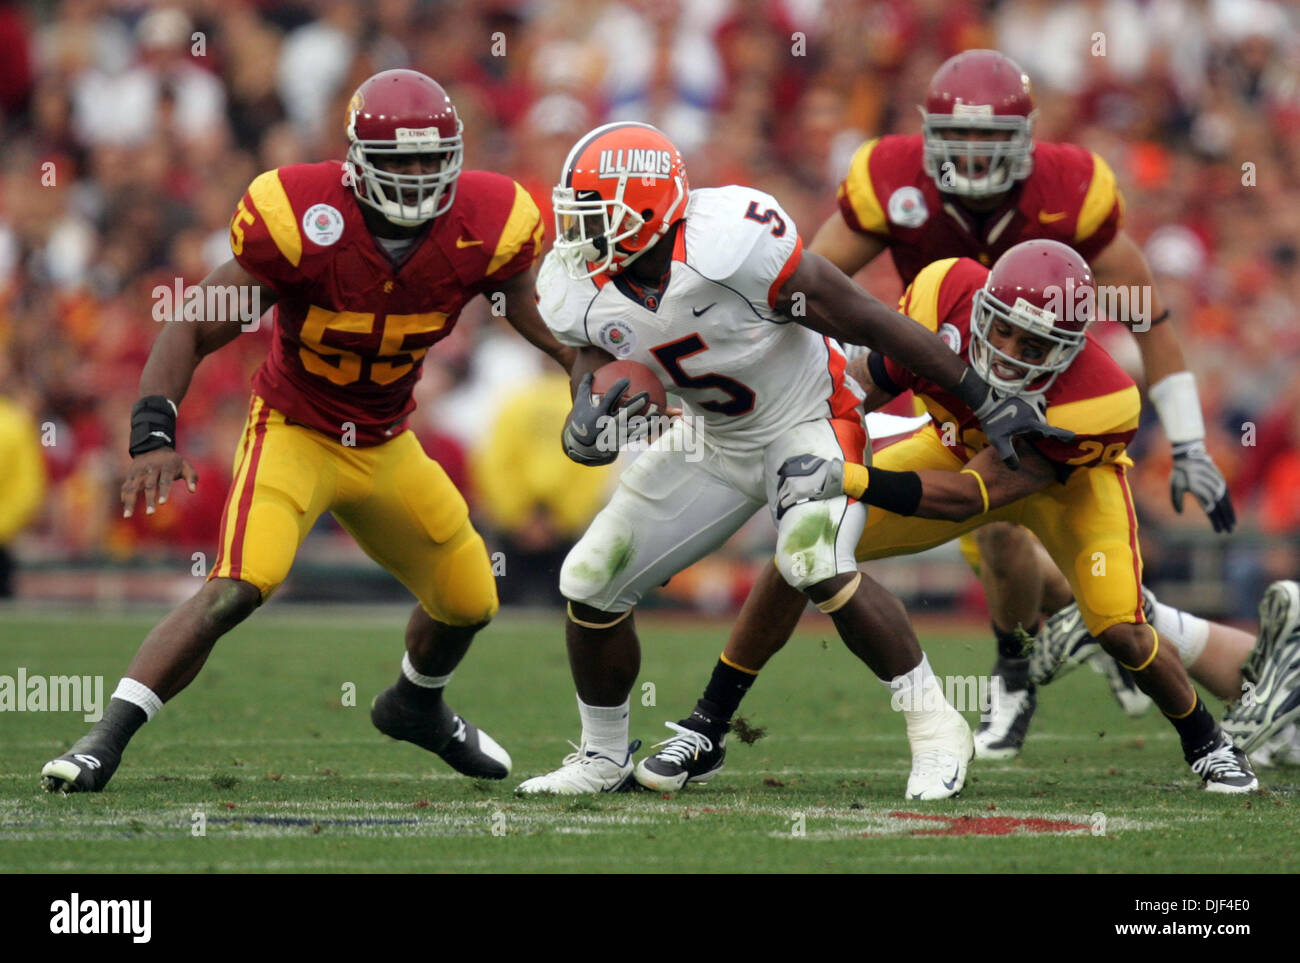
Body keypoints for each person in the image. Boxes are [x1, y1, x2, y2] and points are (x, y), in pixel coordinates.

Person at [41, 69, 572, 794]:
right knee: (238, 585)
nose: (417, 177)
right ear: (358, 162)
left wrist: (581, 365)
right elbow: (195, 321)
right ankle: (103, 737)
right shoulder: (300, 216)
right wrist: (153, 429)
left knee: (471, 596)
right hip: (296, 428)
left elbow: (525, 304)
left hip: (386, 440)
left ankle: (415, 704)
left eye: (430, 159)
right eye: (399, 161)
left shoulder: (491, 217)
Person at [515, 121, 1066, 799]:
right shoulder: (577, 281)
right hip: (714, 440)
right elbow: (592, 354)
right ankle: (602, 756)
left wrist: (980, 395)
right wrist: (584, 413)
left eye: (597, 216)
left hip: (809, 418)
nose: (579, 235)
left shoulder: (732, 243)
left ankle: (935, 724)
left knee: (812, 558)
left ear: (651, 205)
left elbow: (864, 315)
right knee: (590, 576)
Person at [646, 240, 1257, 794]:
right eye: (1005, 331)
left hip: (1064, 482)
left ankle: (1208, 743)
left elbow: (973, 496)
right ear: (982, 306)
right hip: (955, 444)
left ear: (1070, 351)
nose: (1012, 355)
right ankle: (707, 725)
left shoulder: (1103, 397)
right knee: (806, 547)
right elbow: (865, 384)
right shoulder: (944, 291)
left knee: (1121, 629)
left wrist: (846, 475)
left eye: (1035, 347)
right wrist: (784, 432)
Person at [809, 49, 1235, 756]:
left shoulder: (1069, 187)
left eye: (991, 139)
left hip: (1051, 394)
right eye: (960, 137)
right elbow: (813, 287)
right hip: (944, 379)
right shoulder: (891, 177)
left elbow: (1145, 315)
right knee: (999, 533)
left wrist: (1189, 441)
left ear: (1028, 139)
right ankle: (1055, 647)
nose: (974, 157)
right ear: (928, 134)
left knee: (1006, 521)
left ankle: (1048, 657)